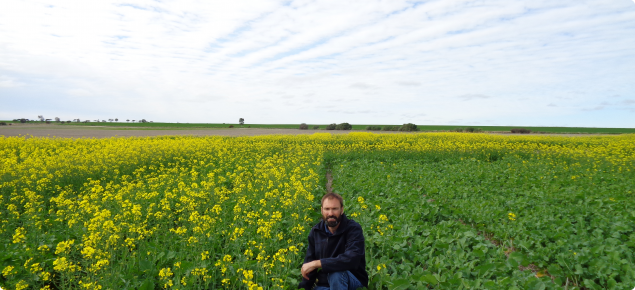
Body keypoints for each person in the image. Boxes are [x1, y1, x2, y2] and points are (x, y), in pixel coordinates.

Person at [298, 192, 368, 290]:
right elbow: (309, 268)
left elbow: (352, 259)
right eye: (327, 209)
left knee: (336, 272)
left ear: (342, 210)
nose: (330, 213)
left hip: (352, 282)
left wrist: (318, 263)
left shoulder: (353, 229)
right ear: (322, 210)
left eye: (334, 209)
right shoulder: (316, 232)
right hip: (324, 285)